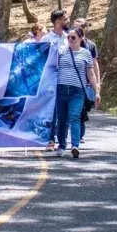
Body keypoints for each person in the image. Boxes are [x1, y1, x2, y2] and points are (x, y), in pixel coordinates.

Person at [54, 27, 101, 158]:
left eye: (73, 37)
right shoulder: (61, 51)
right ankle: (61, 146)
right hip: (61, 89)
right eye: (68, 37)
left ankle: (75, 145)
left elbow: (90, 74)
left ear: (81, 38)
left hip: (77, 91)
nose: (69, 39)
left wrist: (96, 91)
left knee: (75, 116)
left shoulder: (85, 53)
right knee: (61, 119)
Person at [41, 9, 70, 151]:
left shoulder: (69, 38)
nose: (68, 21)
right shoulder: (46, 39)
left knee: (63, 110)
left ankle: (63, 141)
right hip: (49, 80)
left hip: (65, 79)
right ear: (58, 21)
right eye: (65, 19)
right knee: (50, 111)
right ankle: (49, 140)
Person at [72, 17, 101, 143]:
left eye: (78, 27)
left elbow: (94, 65)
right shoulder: (68, 41)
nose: (75, 30)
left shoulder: (91, 45)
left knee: (81, 110)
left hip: (85, 83)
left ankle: (79, 135)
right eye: (73, 27)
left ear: (85, 29)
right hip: (69, 81)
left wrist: (97, 84)